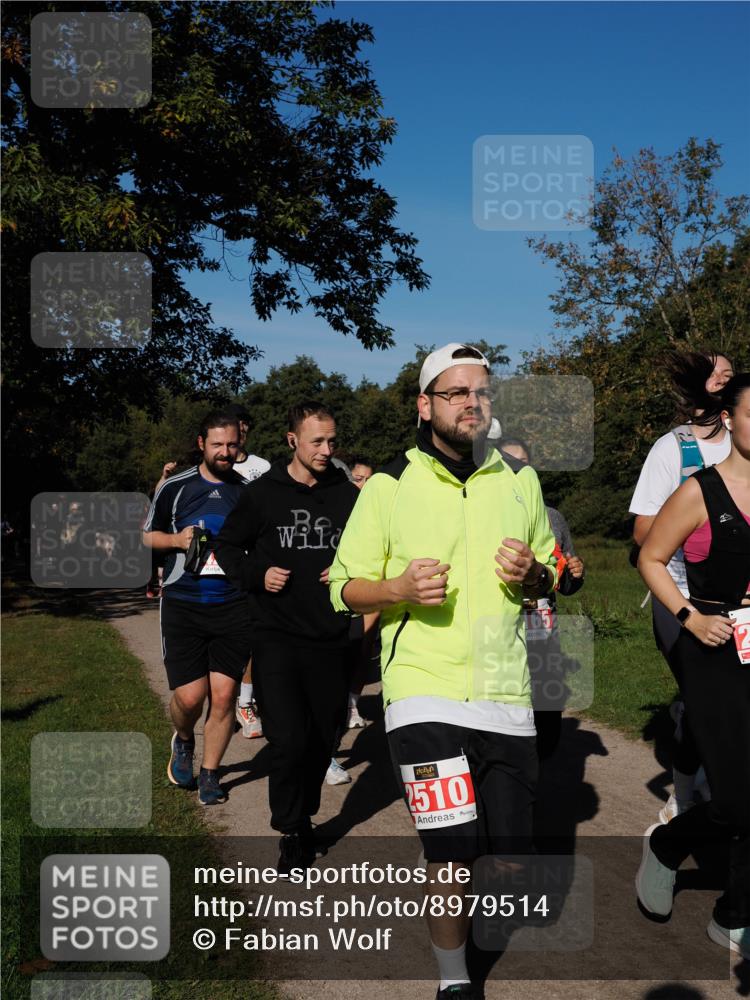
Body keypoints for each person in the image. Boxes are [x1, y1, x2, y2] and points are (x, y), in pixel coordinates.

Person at [329, 344, 558, 1000]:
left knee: (510, 856)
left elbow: (549, 573)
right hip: (422, 693)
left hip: (506, 690)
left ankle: (470, 914)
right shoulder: (387, 487)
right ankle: (454, 983)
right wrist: (397, 587)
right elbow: (341, 589)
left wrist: (536, 575)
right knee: (450, 850)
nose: (472, 403)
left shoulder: (521, 481)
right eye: (455, 392)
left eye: (480, 392)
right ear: (425, 405)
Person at [215, 401, 359, 873]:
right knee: (290, 739)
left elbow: (372, 546)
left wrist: (348, 570)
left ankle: (305, 814)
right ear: (291, 440)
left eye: (331, 440)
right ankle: (292, 828)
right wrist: (258, 574)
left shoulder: (346, 492)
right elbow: (227, 546)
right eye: (317, 440)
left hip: (332, 632)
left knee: (322, 738)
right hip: (276, 633)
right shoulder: (263, 493)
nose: (326, 449)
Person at [636, 373, 750, 960]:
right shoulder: (699, 490)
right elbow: (650, 557)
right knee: (733, 799)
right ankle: (666, 846)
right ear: (729, 419)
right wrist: (688, 617)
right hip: (712, 648)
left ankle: (734, 912)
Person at [630, 350, 734, 822]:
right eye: (719, 374)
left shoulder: (745, 442)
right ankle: (687, 792)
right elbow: (643, 531)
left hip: (737, 598)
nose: (727, 379)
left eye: (731, 374)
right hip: (679, 595)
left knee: (725, 701)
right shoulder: (674, 449)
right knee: (703, 696)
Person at [142, 411, 253, 806]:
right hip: (183, 603)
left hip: (233, 605)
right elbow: (144, 538)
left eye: (232, 445)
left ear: (240, 445)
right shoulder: (175, 487)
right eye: (217, 444)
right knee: (190, 698)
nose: (225, 452)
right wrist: (177, 540)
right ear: (201, 444)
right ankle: (184, 739)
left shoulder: (246, 491)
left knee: (223, 697)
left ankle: (210, 774)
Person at [497, 437, 585, 759]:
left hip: (544, 632)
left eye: (523, 464)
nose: (517, 470)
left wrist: (574, 575)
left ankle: (535, 788)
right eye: (508, 463)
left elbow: (565, 582)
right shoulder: (484, 515)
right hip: (501, 633)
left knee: (547, 724)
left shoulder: (552, 518)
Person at [223, 404, 271, 740]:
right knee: (229, 639)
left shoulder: (263, 467)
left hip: (255, 563)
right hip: (224, 564)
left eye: (242, 424)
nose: (238, 431)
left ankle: (245, 702)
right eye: (231, 425)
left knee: (256, 637)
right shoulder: (217, 469)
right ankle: (226, 700)